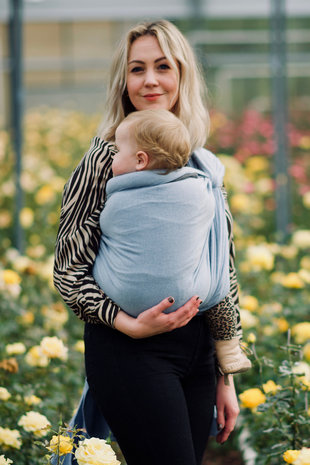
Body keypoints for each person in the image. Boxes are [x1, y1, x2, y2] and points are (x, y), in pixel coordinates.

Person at [54, 19, 245, 465]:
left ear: (182, 76)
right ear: (124, 80)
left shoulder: (202, 162)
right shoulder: (105, 159)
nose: (151, 80)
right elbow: (69, 269)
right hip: (129, 348)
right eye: (137, 69)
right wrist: (128, 324)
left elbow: (221, 268)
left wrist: (225, 374)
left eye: (163, 66)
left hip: (197, 352)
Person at [93, 108, 251, 374]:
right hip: (195, 298)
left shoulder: (118, 201)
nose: (112, 159)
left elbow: (106, 227)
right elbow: (213, 245)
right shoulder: (202, 188)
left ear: (141, 161)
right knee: (219, 280)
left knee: (103, 254)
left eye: (117, 152)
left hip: (125, 300)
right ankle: (230, 348)